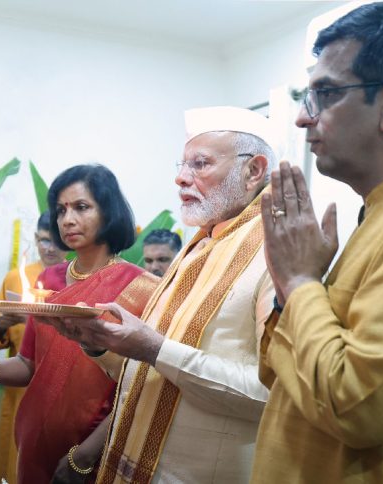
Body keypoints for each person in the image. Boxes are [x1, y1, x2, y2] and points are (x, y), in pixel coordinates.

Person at [252, 4, 383, 482]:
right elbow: (279, 373)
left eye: (326, 94)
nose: (305, 121)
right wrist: (294, 290)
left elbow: (362, 409)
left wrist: (302, 281)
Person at [46, 107, 278, 482]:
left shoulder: (277, 252)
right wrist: (100, 345)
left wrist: (154, 348)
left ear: (253, 171)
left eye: (200, 164)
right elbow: (155, 373)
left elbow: (275, 396)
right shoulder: (200, 246)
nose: (181, 178)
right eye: (182, 165)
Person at [0, 165, 159, 484]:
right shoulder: (49, 280)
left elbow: (140, 389)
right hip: (33, 444)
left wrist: (84, 455)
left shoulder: (141, 288)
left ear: (108, 211)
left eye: (81, 207)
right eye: (61, 210)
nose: (67, 219)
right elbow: (29, 364)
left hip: (93, 453)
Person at [0, 210, 66, 483]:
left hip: (60, 388)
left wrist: (36, 319)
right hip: (18, 384)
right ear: (35, 239)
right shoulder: (15, 277)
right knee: (13, 460)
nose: (49, 248)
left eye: (55, 241)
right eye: (43, 240)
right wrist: (3, 323)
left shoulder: (73, 277)